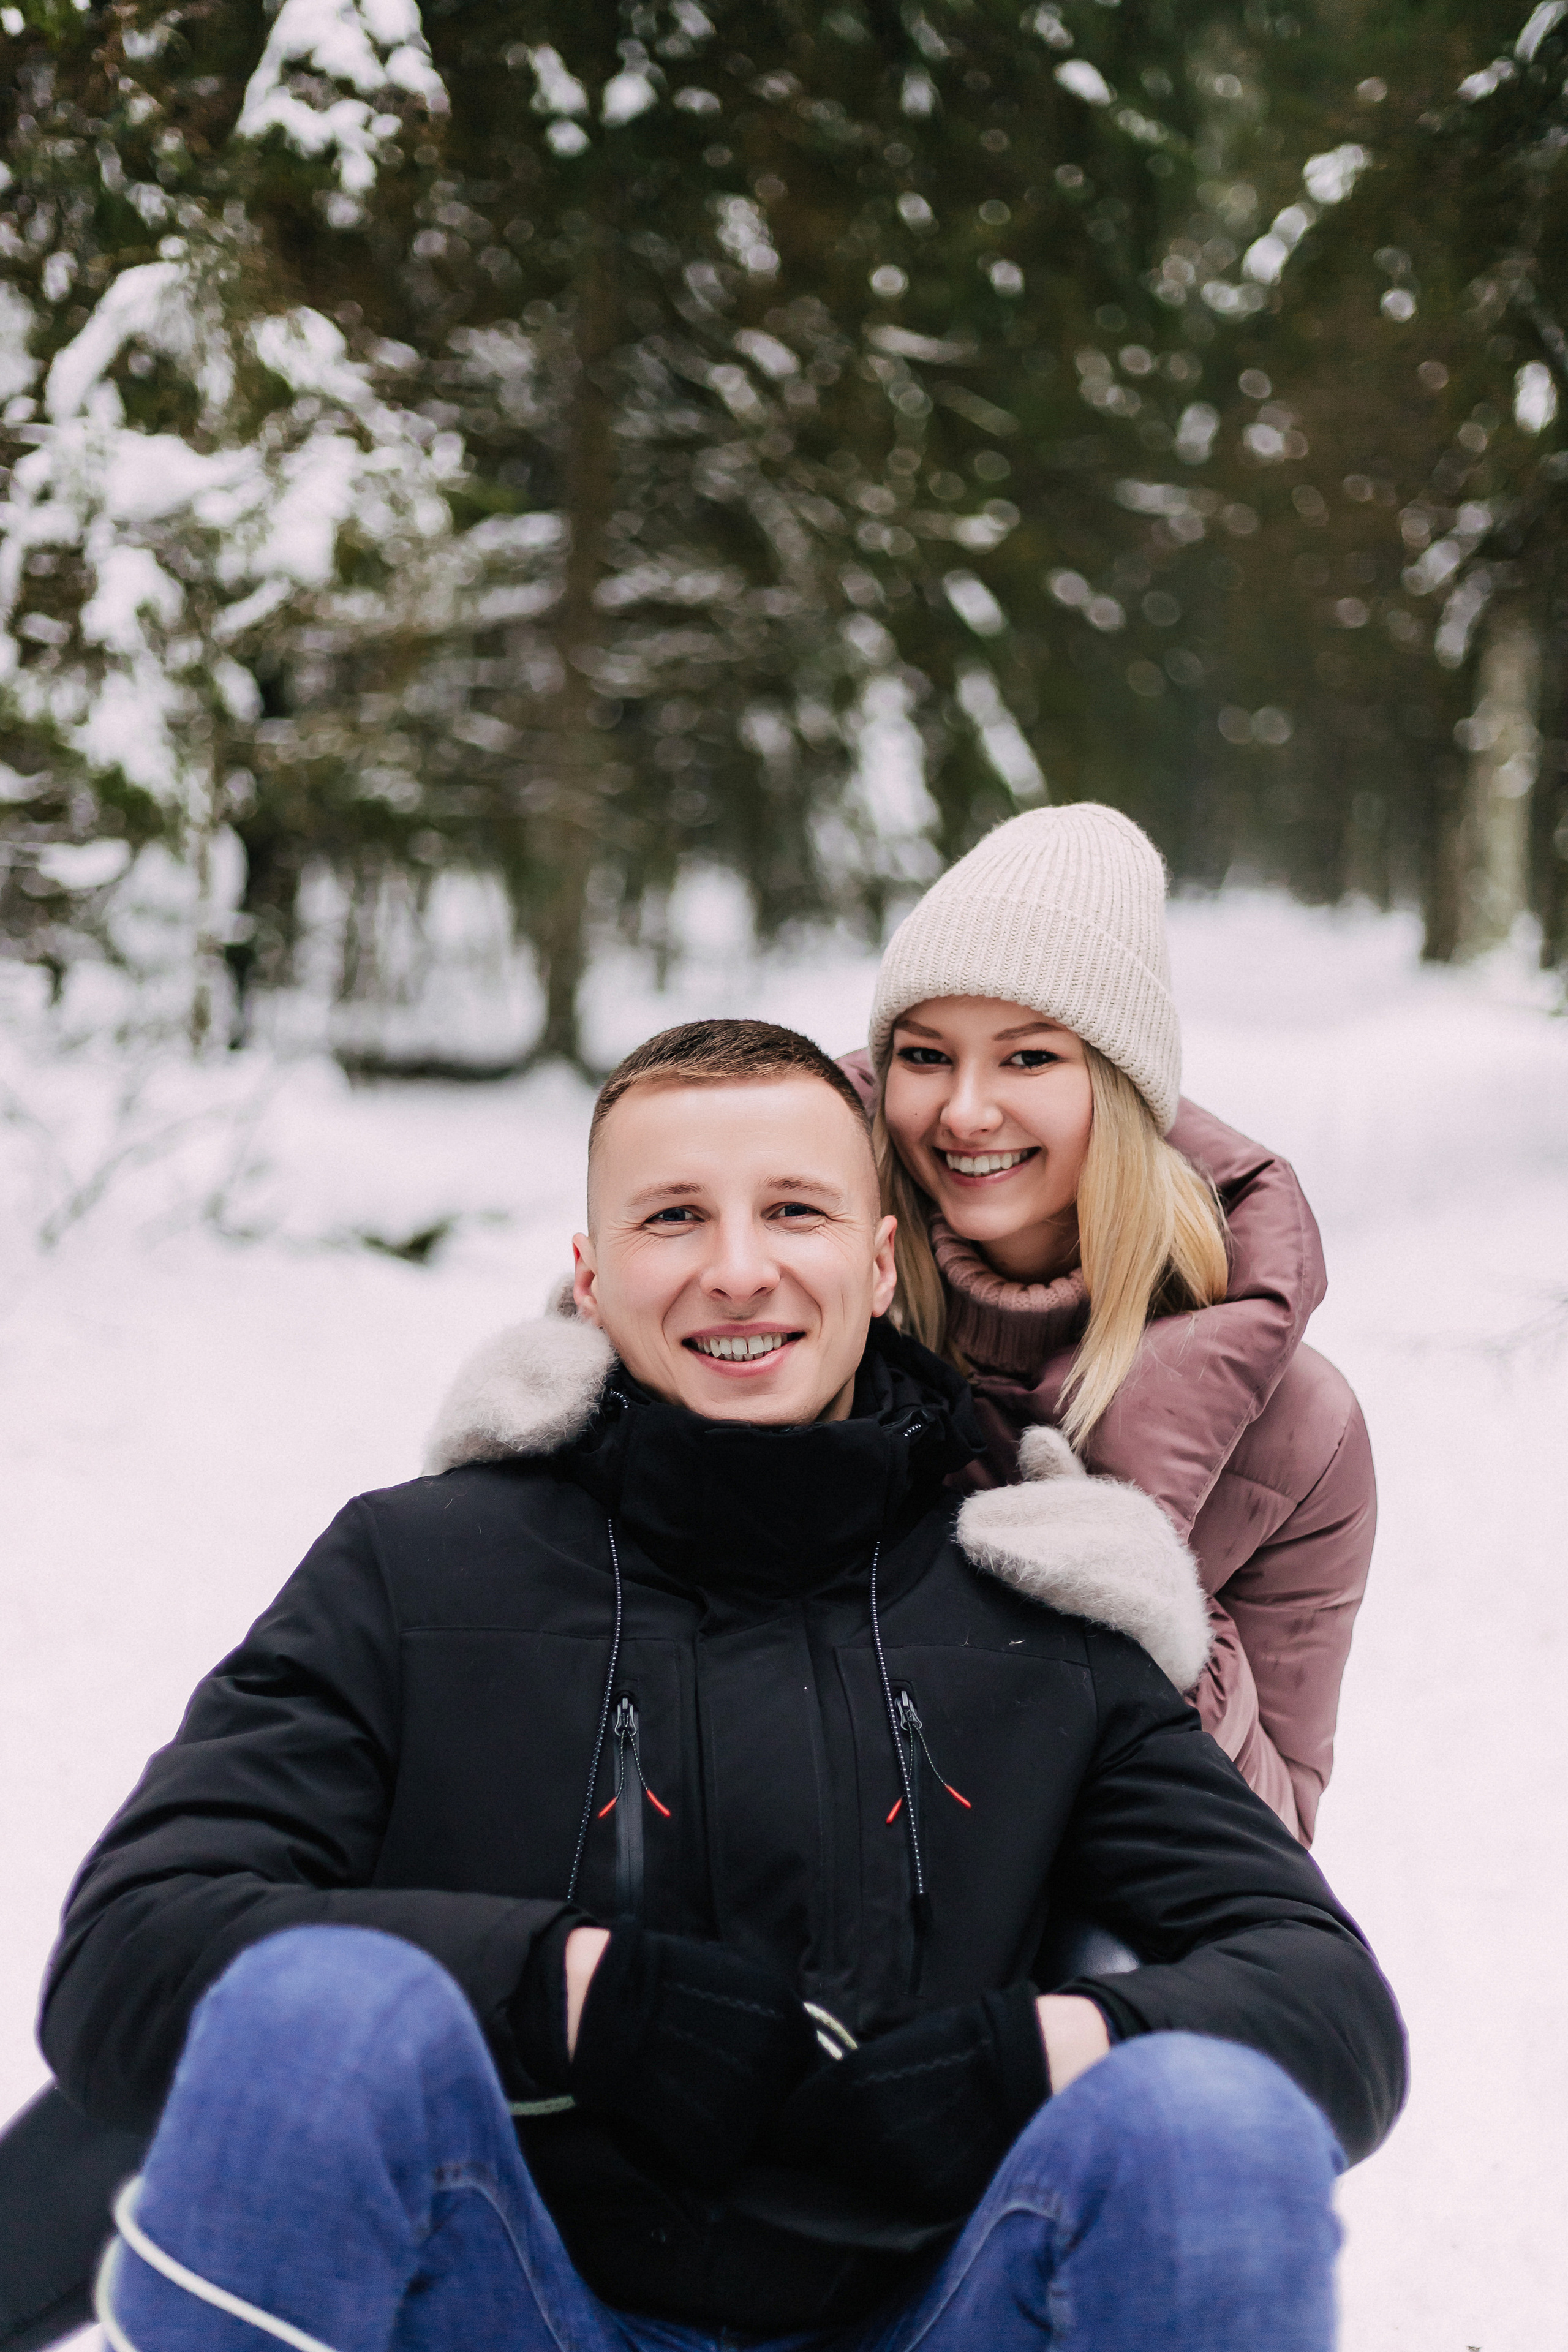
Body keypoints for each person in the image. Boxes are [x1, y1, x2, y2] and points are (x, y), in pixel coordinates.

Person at [43, 1019, 1406, 2352]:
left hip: (928, 2309)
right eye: (674, 1219)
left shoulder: (1036, 1613)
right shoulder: (416, 1569)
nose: (738, 1271)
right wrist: (560, 1991)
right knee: (315, 2013)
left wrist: (1033, 2053)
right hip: (508, 2295)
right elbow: (128, 1959)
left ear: (879, 1267)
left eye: (795, 1213)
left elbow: (1328, 2009)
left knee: (1204, 2123)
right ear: (588, 1272)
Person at [838, 803, 1376, 1844]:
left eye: (1030, 1058)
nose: (964, 1112)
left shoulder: (1301, 1429)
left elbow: (1278, 1836)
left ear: (1119, 1087)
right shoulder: (805, 1300)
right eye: (925, 1054)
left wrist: (1163, 1630)